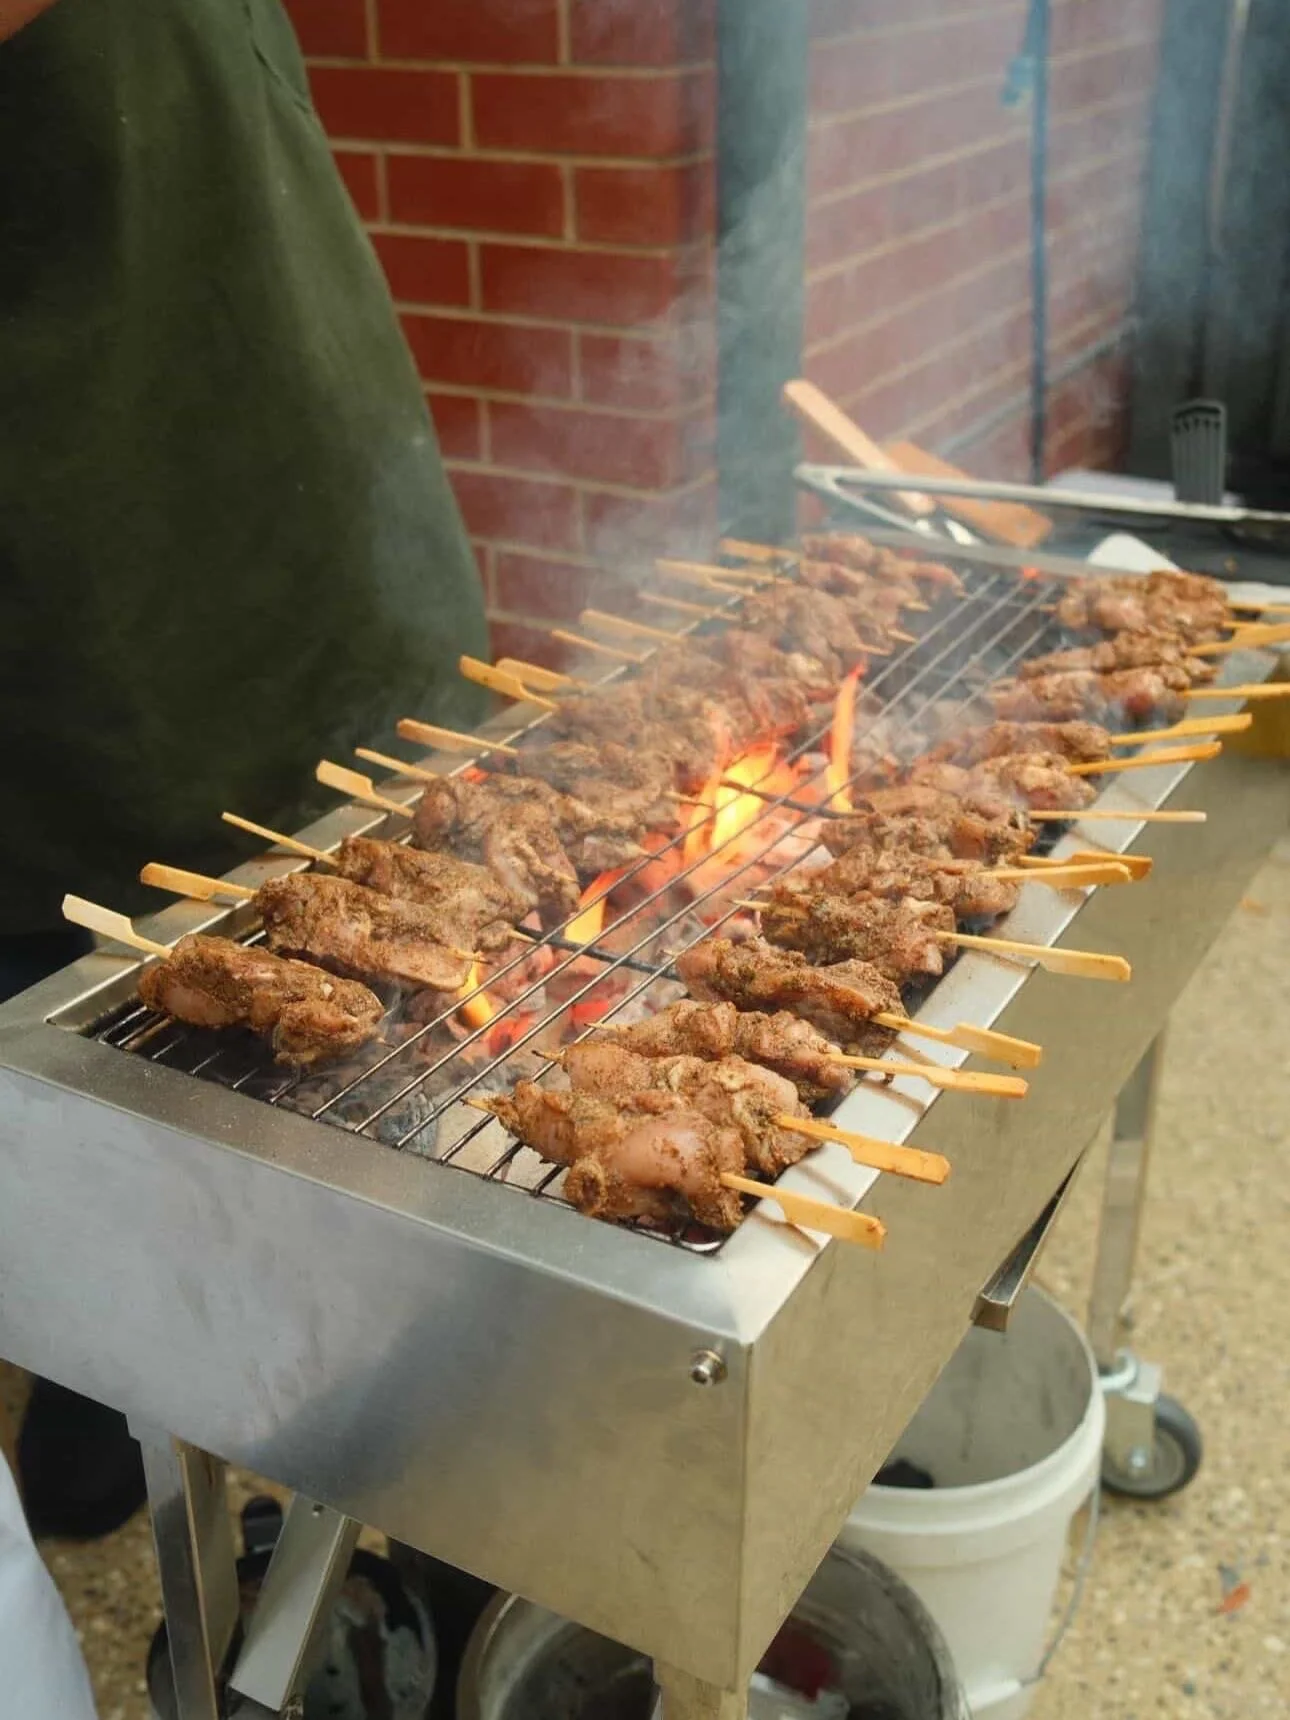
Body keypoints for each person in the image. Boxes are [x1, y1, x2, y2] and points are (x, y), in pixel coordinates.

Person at [0, 0, 487, 1588]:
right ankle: (101, 1426)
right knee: (95, 1003)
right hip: (99, 551)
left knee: (356, 983)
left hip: (278, 466)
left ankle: (349, 1431)